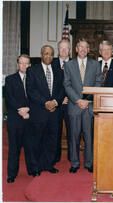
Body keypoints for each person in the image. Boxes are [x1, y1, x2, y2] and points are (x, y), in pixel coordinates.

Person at [63, 38, 102, 173]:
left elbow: (98, 83)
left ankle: (89, 162)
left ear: (89, 49)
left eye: (86, 47)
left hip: (89, 106)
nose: (83, 49)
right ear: (76, 49)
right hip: (74, 106)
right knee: (73, 136)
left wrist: (86, 100)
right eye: (80, 47)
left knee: (89, 136)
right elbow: (67, 85)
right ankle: (74, 163)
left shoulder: (96, 65)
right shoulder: (69, 65)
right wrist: (78, 100)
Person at [26, 45, 65, 175]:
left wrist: (55, 102)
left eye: (51, 54)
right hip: (39, 112)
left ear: (53, 56)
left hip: (54, 112)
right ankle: (35, 168)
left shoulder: (59, 71)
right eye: (46, 53)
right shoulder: (32, 70)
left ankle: (48, 164)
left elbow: (62, 90)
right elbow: (31, 91)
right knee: (37, 141)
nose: (48, 56)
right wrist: (45, 103)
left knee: (52, 140)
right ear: (41, 55)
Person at [5, 54, 32, 183]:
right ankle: (11, 174)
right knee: (14, 148)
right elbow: (9, 99)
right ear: (17, 64)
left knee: (31, 147)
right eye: (21, 63)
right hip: (15, 119)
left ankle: (32, 170)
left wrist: (28, 109)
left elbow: (36, 97)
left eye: (26, 63)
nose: (24, 65)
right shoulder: (10, 79)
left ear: (30, 65)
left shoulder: (34, 79)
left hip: (30, 117)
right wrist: (21, 110)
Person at [52, 40, 72, 163]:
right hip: (57, 104)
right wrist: (59, 100)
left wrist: (69, 97)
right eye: (61, 48)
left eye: (66, 48)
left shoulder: (75, 63)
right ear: (58, 50)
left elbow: (77, 84)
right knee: (56, 131)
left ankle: (72, 157)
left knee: (72, 132)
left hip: (70, 103)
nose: (64, 51)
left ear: (69, 51)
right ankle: (55, 157)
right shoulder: (52, 63)